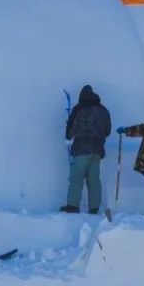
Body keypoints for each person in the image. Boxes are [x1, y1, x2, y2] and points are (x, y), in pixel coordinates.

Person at [59, 84, 112, 214]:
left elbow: (71, 127)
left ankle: (73, 205)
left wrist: (68, 136)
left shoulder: (79, 109)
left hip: (81, 149)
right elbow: (108, 130)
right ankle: (94, 208)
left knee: (76, 178)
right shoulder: (103, 110)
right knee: (94, 180)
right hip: (97, 150)